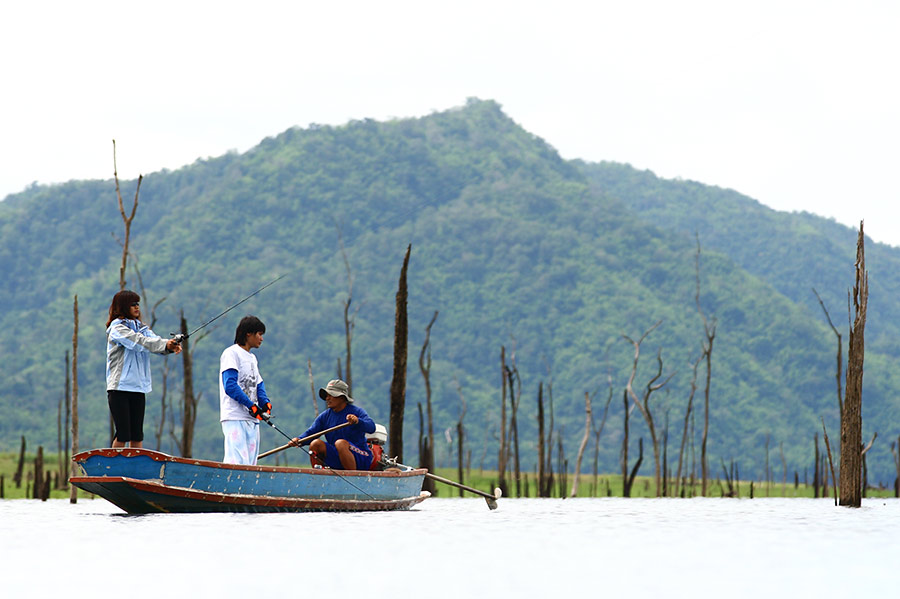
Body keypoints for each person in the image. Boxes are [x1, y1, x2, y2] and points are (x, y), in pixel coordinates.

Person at [106, 290, 182, 449]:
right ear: (122, 307)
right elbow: (139, 342)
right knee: (123, 434)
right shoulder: (117, 329)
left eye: (137, 304)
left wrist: (169, 345)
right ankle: (113, 469)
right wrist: (164, 344)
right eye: (132, 304)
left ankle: (135, 472)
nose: (136, 307)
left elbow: (153, 341)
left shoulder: (141, 327)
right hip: (119, 388)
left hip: (138, 387)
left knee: (137, 435)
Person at [219, 315, 273, 465]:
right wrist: (251, 405)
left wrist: (265, 403)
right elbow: (230, 385)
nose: (261, 339)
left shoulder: (252, 358)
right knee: (236, 461)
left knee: (250, 463)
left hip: (252, 419)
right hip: (235, 417)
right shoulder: (231, 353)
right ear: (248, 334)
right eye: (259, 334)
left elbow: (259, 384)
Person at [290, 379, 376, 470]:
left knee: (340, 443)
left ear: (342, 397)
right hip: (338, 456)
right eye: (327, 395)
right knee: (315, 444)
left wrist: (357, 421)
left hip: (361, 458)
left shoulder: (357, 411)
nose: (327, 398)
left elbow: (371, 427)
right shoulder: (325, 416)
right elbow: (311, 433)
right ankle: (319, 477)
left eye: (331, 395)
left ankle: (352, 478)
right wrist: (299, 440)